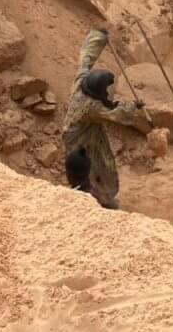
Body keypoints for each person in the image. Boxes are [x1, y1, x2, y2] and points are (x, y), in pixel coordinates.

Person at [61, 28, 152, 209]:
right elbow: (117, 114)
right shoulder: (92, 107)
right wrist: (134, 106)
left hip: (87, 131)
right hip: (80, 140)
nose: (108, 92)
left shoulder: (82, 82)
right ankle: (98, 203)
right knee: (93, 169)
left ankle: (98, 198)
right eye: (106, 89)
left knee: (96, 167)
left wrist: (98, 37)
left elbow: (85, 58)